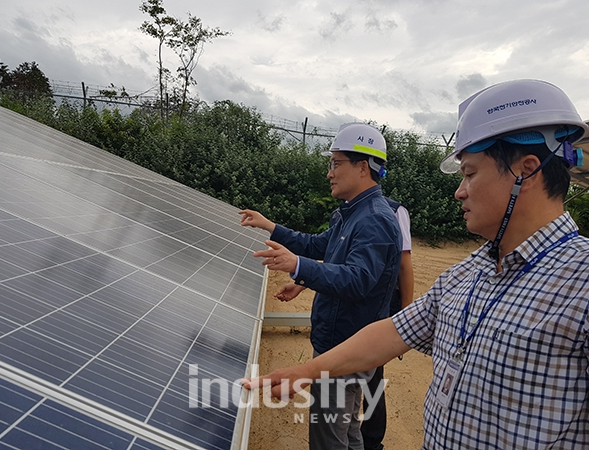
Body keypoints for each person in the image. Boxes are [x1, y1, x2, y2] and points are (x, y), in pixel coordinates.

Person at [244, 79, 589, 449]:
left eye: (470, 173)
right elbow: (392, 333)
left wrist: (300, 269)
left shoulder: (581, 284)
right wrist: (304, 371)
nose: (459, 190)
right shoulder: (466, 274)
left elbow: (361, 280)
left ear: (527, 170)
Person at [239, 122, 403, 450]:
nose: (329, 172)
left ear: (362, 167)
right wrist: (270, 226)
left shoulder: (375, 220)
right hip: (337, 341)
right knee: (347, 432)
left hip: (346, 349)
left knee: (328, 437)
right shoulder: (348, 214)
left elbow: (358, 281)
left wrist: (298, 267)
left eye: (335, 163)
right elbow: (318, 247)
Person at [360, 198, 414, 450]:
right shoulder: (349, 209)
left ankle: (371, 439)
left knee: (372, 372)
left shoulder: (395, 211)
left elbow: (404, 264)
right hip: (354, 298)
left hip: (382, 301)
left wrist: (405, 314)